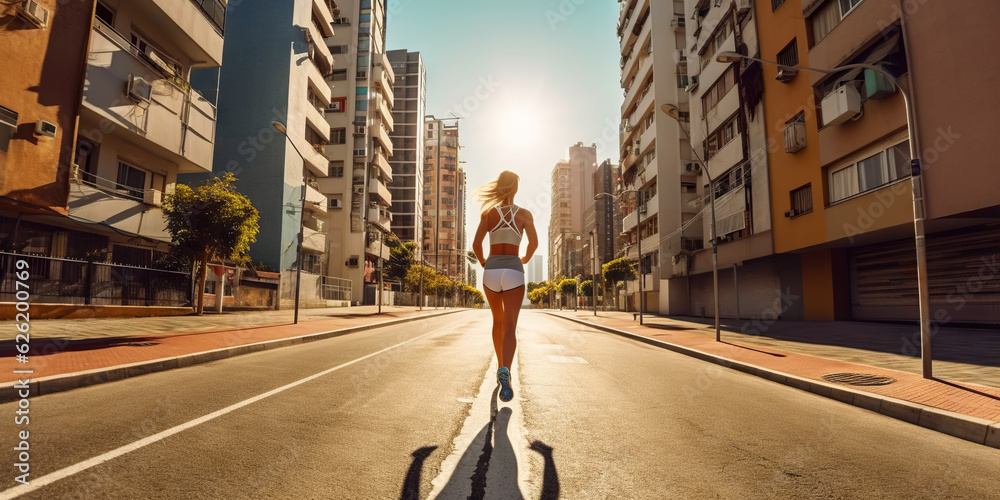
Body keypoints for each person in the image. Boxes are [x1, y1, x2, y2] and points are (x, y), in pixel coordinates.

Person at [472, 171, 538, 403]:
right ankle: (506, 372)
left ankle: (499, 364)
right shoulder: (524, 214)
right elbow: (534, 244)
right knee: (510, 326)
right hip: (513, 270)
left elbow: (476, 244)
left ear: (499, 187)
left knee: (497, 321)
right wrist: (525, 259)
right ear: (516, 188)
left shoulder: (488, 214)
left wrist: (484, 263)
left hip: (491, 272)